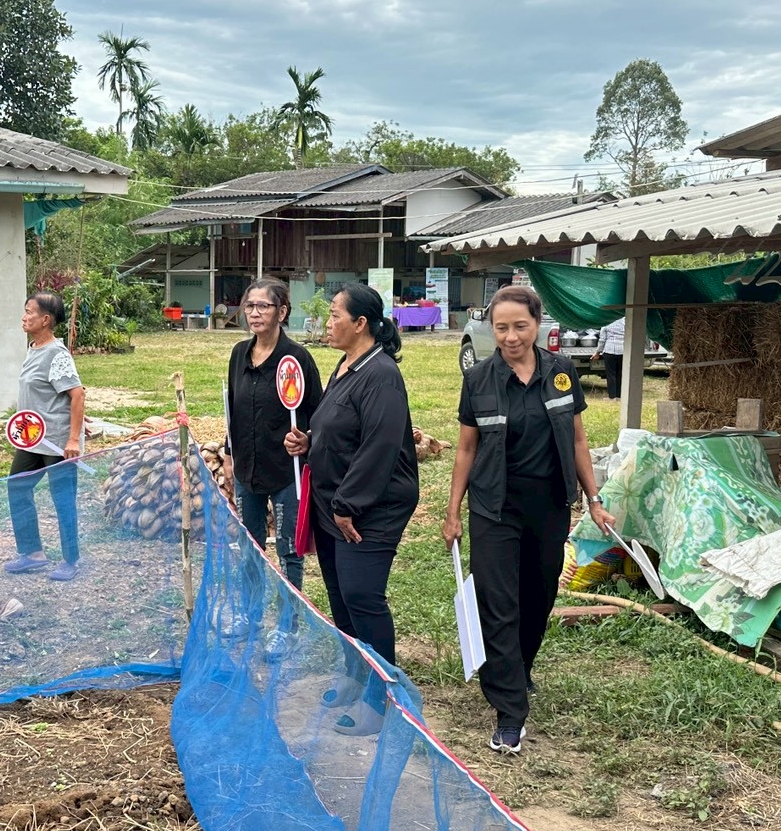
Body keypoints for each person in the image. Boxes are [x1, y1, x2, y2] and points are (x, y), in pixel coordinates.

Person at [442, 285, 615, 755]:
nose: (511, 336)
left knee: (537, 598)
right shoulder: (478, 378)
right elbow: (466, 449)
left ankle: (518, 669)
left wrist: (593, 500)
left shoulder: (561, 372)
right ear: (491, 329)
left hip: (549, 505)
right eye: (502, 328)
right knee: (498, 603)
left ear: (538, 324)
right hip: (494, 507)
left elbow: (578, 442)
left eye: (520, 326)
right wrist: (453, 511)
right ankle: (510, 710)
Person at [284, 284, 418, 736]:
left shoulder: (380, 374)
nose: (328, 322)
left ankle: (383, 701)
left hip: (367, 507)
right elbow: (340, 427)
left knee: (363, 596)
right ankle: (355, 673)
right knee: (341, 596)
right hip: (333, 503)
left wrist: (348, 505)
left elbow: (379, 447)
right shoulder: (345, 366)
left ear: (360, 323)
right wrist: (309, 441)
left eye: (335, 314)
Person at [226, 277, 322, 656]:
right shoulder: (238, 354)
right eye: (250, 305)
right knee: (249, 546)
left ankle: (288, 626)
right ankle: (249, 615)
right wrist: (231, 452)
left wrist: (308, 439)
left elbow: (319, 413)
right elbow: (232, 407)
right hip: (247, 470)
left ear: (282, 312)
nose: (254, 312)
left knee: (288, 550)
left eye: (264, 306)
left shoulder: (295, 359)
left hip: (286, 471)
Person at [4, 292, 85, 581]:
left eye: (30, 312)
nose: (24, 317)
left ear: (46, 319)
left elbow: (77, 395)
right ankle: (32, 554)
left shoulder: (56, 354)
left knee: (62, 497)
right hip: (32, 439)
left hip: (58, 442)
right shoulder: (34, 348)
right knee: (17, 487)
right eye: (25, 311)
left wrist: (73, 440)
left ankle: (71, 560)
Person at [591, 316, 625, 400]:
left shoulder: (607, 321)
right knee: (620, 374)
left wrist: (597, 352)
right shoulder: (625, 321)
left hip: (609, 351)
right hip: (623, 350)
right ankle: (619, 396)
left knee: (611, 375)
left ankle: (612, 396)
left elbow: (602, 339)